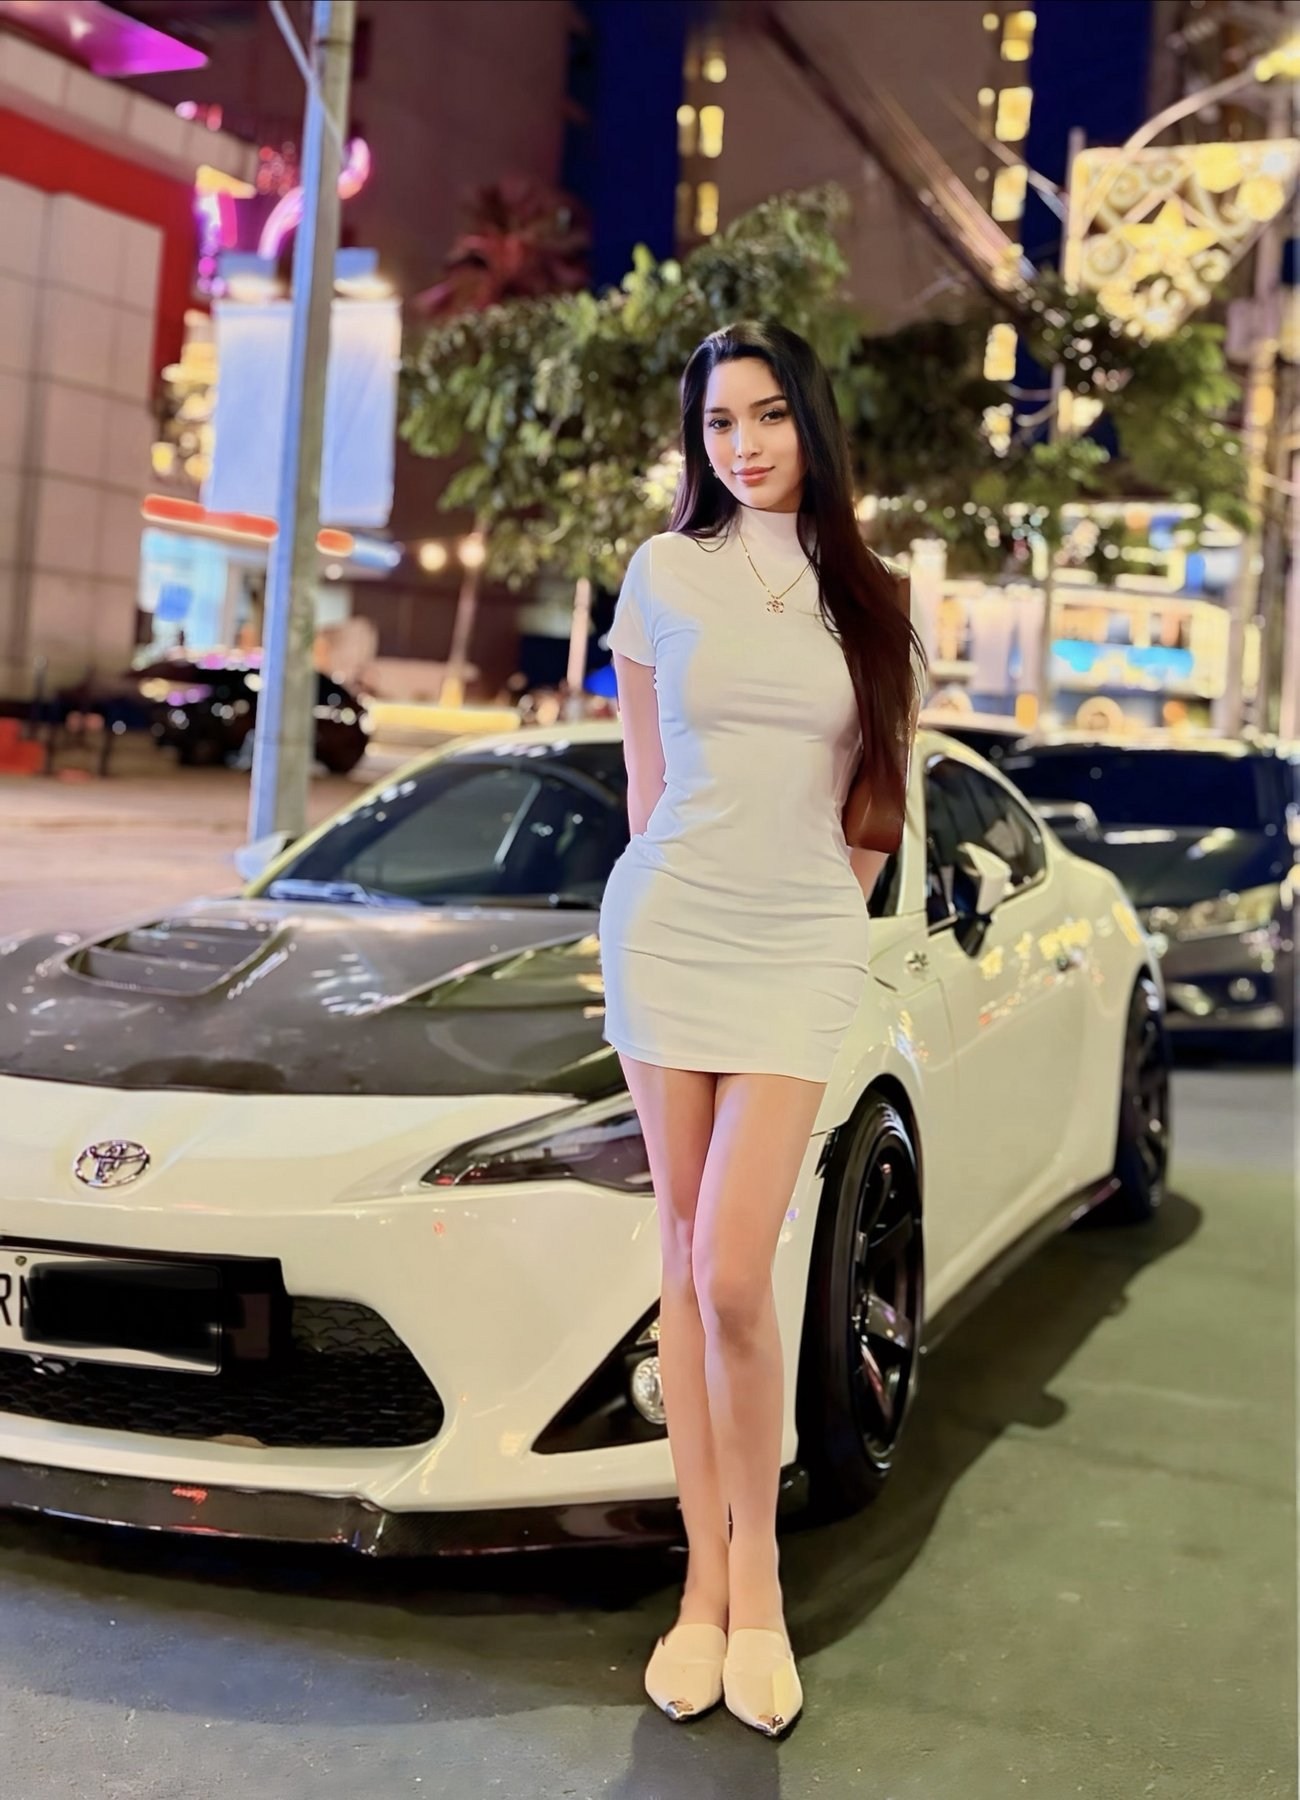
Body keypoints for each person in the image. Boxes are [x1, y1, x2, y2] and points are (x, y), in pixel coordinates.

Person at [598, 320, 924, 1739]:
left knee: (736, 1267)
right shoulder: (661, 573)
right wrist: (667, 895)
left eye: (769, 414)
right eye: (719, 421)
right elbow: (646, 787)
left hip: (797, 944)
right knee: (683, 1258)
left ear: (813, 423)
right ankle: (703, 1591)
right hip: (670, 925)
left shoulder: (875, 597)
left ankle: (765, 1587)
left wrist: (818, 919)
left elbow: (876, 806)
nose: (742, 443)